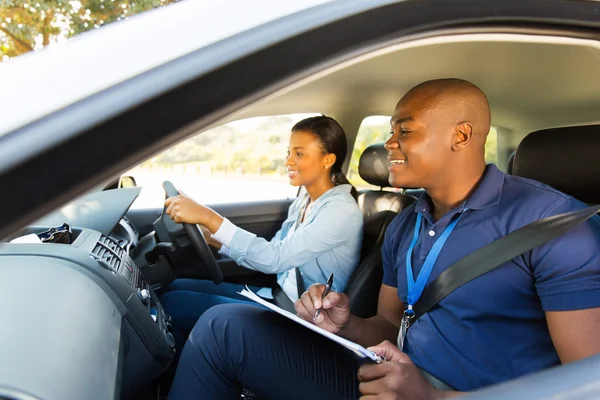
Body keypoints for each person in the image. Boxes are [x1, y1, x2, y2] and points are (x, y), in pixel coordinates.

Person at [167, 79, 600, 399]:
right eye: (391, 131)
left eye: (404, 131)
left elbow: (586, 385)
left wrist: (432, 397)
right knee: (226, 327)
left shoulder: (554, 227)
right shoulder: (406, 223)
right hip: (388, 379)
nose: (388, 143)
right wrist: (346, 323)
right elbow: (391, 326)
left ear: (461, 136)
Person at [158, 115, 364, 351]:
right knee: (174, 286)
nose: (288, 161)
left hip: (303, 320)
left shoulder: (341, 211)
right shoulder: (305, 201)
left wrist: (209, 217)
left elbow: (274, 258)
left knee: (174, 303)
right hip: (279, 297)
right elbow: (272, 248)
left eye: (299, 153)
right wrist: (212, 239)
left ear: (328, 160)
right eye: (288, 152)